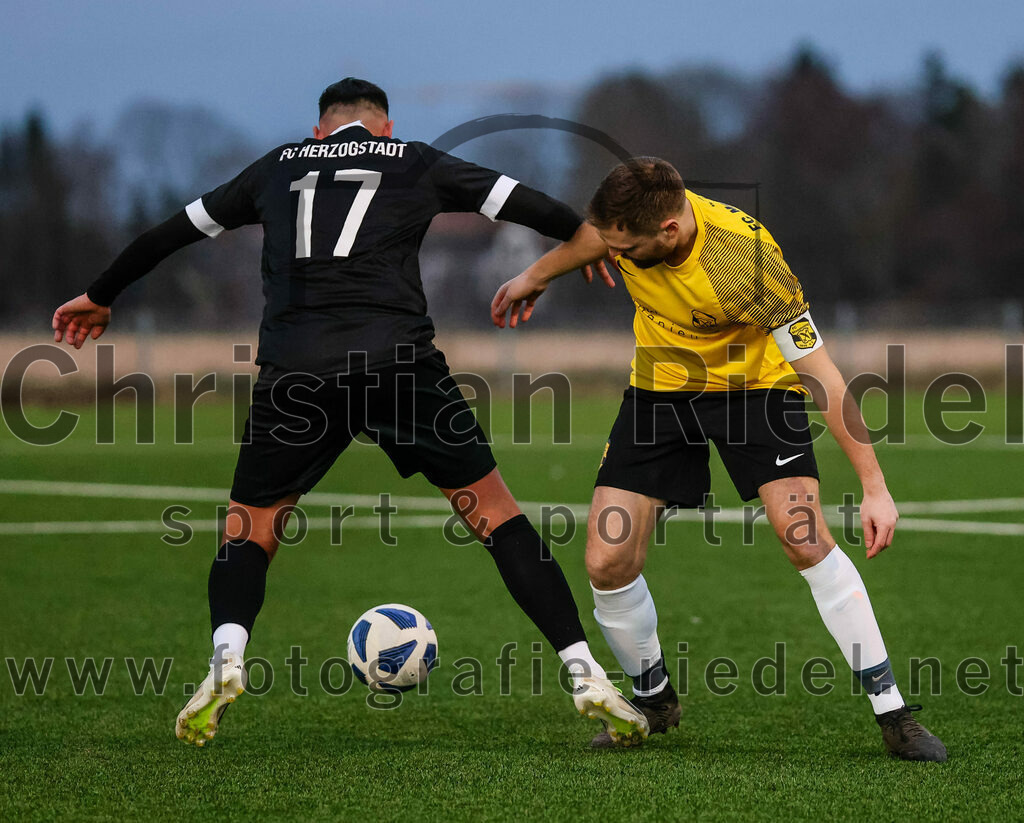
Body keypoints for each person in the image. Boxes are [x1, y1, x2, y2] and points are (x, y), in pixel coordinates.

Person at [51, 78, 646, 747]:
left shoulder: (276, 167)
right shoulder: (416, 159)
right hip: (399, 363)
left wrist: (100, 295)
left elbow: (170, 233)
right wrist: (583, 241)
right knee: (497, 516)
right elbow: (523, 202)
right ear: (383, 130)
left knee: (250, 532)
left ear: (318, 133)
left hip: (294, 372)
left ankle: (226, 657)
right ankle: (584, 670)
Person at [491, 157, 947, 761]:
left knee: (804, 537)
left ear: (670, 232)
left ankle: (894, 715)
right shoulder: (630, 222)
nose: (615, 254)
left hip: (757, 389)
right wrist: (537, 274)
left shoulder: (746, 259)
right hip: (661, 387)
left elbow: (822, 376)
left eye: (626, 247)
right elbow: (591, 238)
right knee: (605, 558)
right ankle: (655, 702)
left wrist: (874, 485)